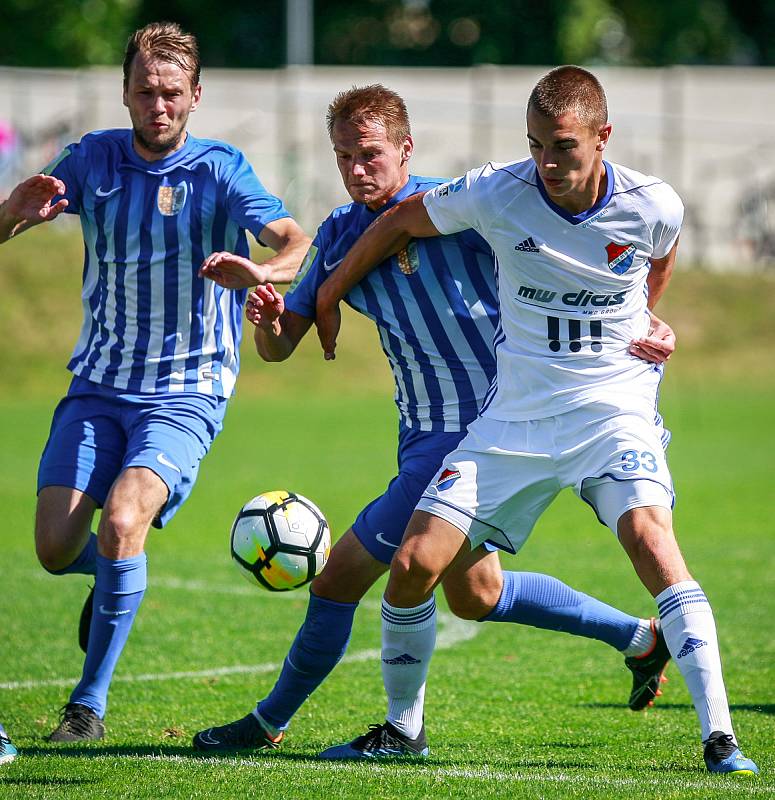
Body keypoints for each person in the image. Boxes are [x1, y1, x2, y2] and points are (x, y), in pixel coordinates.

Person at [192, 84, 677, 755]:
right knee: (475, 594)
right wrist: (269, 318)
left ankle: (269, 722)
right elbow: (281, 347)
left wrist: (638, 320)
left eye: (369, 154)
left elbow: (573, 265)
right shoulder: (336, 233)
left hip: (480, 430)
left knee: (338, 578)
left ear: (404, 148)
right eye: (343, 157)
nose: (357, 169)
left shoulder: (465, 210)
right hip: (419, 433)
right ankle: (640, 638)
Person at [312, 70, 759, 776]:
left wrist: (646, 315)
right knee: (413, 566)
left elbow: (660, 249)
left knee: (650, 542)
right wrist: (331, 292)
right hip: (513, 419)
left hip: (611, 412)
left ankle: (720, 739)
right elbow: (400, 219)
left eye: (562, 147)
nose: (547, 164)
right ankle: (404, 732)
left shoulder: (652, 202)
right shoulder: (499, 189)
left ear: (601, 138)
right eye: (535, 146)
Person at [0, 22, 309, 742]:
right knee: (52, 549)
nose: (158, 105)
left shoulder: (221, 171)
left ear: (195, 96)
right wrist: (11, 216)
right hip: (98, 384)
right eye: (146, 91)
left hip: (185, 391)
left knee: (123, 518)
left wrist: (261, 273)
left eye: (172, 93)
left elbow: (294, 241)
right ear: (126, 93)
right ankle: (119, 575)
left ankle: (87, 707)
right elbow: (14, 221)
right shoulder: (92, 159)